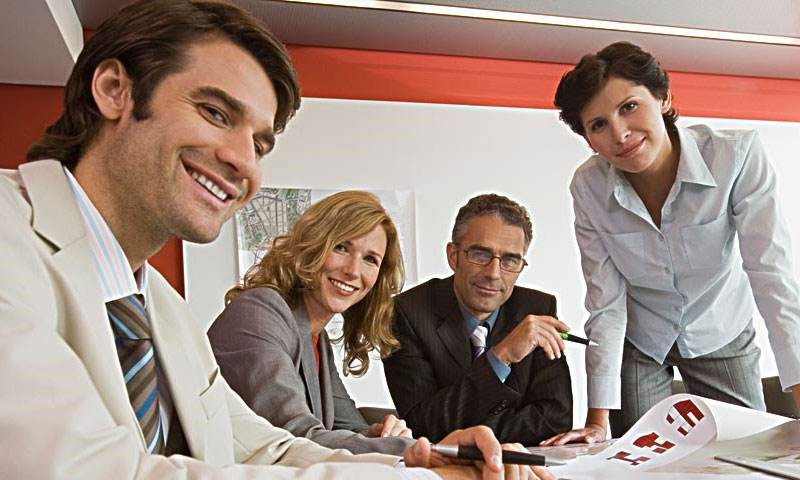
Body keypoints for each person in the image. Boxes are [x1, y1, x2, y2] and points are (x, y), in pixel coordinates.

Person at [0, 1, 551, 479]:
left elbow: (265, 447)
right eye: (215, 113)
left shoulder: (161, 309)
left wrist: (423, 462)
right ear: (114, 91)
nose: (243, 162)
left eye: (260, 145)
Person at [542, 41, 800, 445]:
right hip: (642, 338)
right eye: (598, 125)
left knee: (745, 450)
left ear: (663, 98)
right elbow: (606, 303)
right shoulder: (588, 187)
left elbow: (772, 276)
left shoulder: (735, 156)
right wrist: (597, 422)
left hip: (720, 327)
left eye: (629, 107)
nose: (620, 134)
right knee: (638, 455)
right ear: (588, 139)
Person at [209, 191, 413, 455]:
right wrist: (418, 451)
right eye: (341, 247)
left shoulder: (317, 337)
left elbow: (348, 426)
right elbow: (296, 436)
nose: (353, 270)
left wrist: (380, 434)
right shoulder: (258, 313)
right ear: (311, 246)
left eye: (370, 259)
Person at [383, 194, 573, 445]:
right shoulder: (406, 313)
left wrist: (466, 428)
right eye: (481, 255)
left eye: (510, 260)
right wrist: (500, 357)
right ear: (453, 256)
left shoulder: (537, 309)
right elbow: (422, 425)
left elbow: (555, 420)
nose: (493, 274)